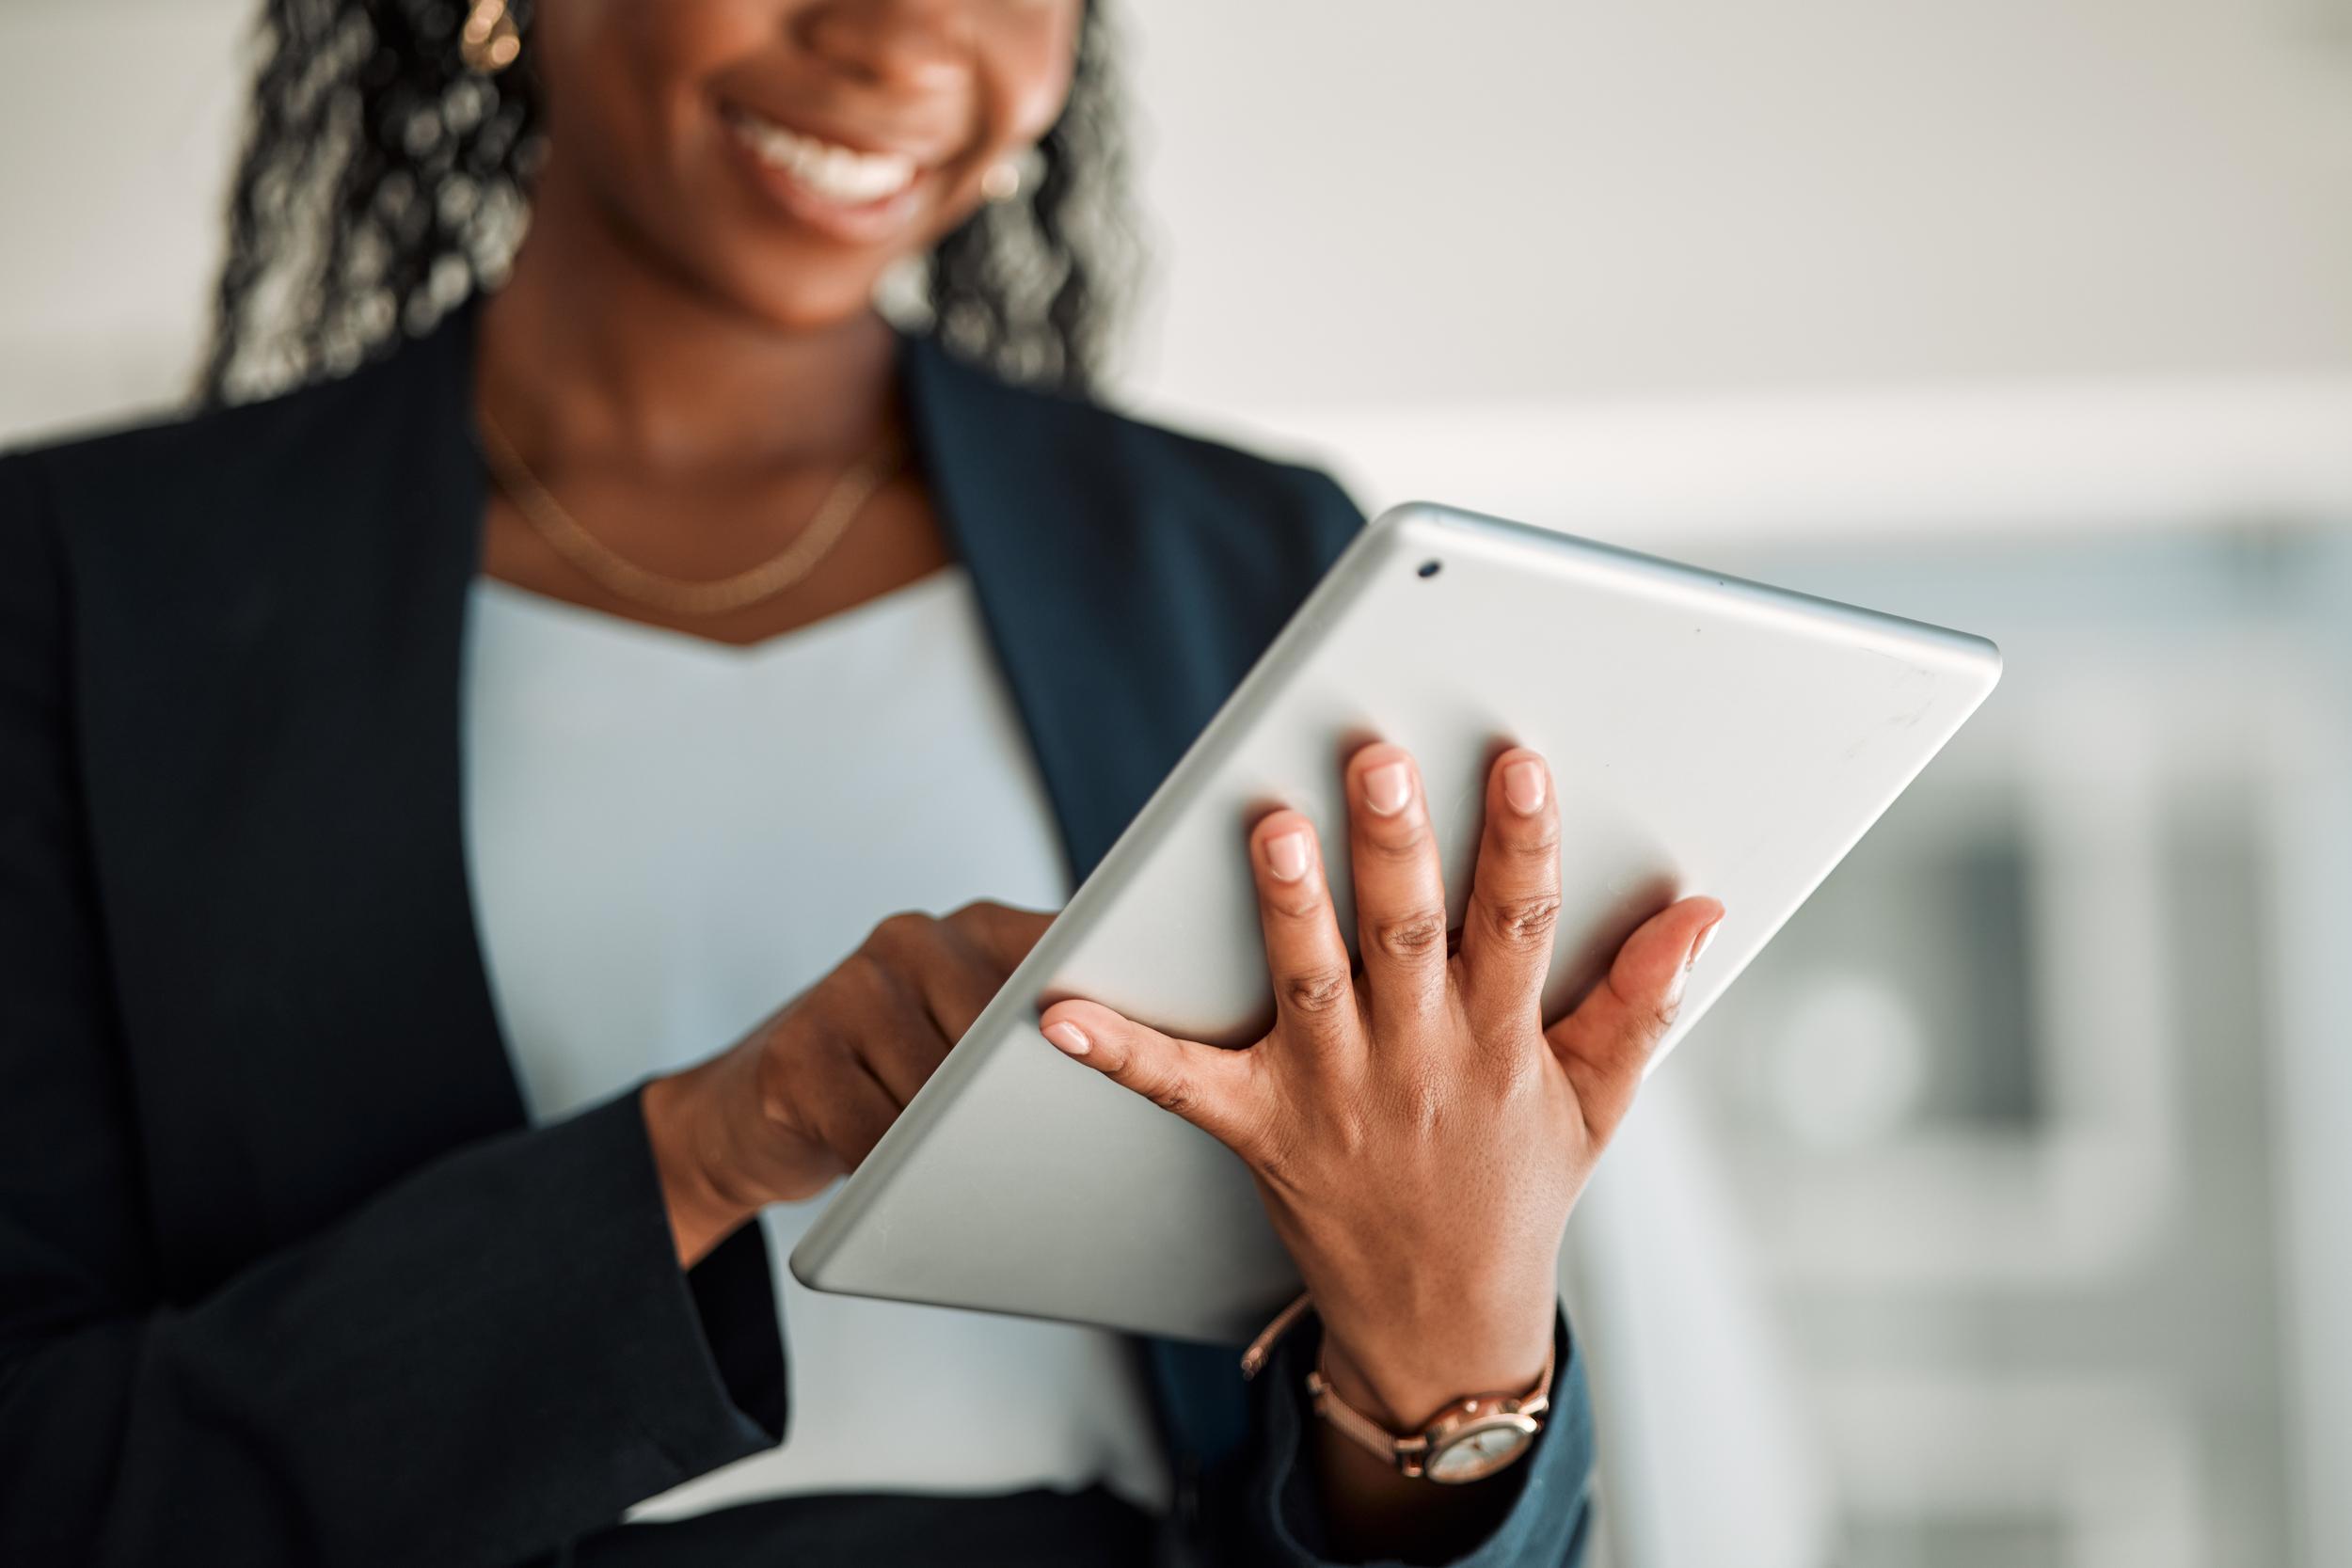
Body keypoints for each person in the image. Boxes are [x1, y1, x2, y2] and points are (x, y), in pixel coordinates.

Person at [0, 2, 1722, 1563]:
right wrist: (706, 1148)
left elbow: (1414, 1473)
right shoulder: (84, 590)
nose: (907, 43)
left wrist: (1455, 1352)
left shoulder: (1246, 562)